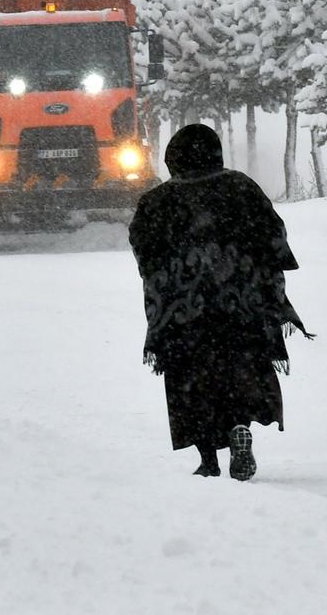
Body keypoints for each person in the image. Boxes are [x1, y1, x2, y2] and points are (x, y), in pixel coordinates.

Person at [129, 124, 311, 481]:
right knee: (238, 370)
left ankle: (208, 458)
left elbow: (144, 253)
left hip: (184, 313)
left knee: (192, 379)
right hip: (241, 307)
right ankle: (239, 426)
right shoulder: (241, 187)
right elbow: (274, 236)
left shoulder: (156, 202)